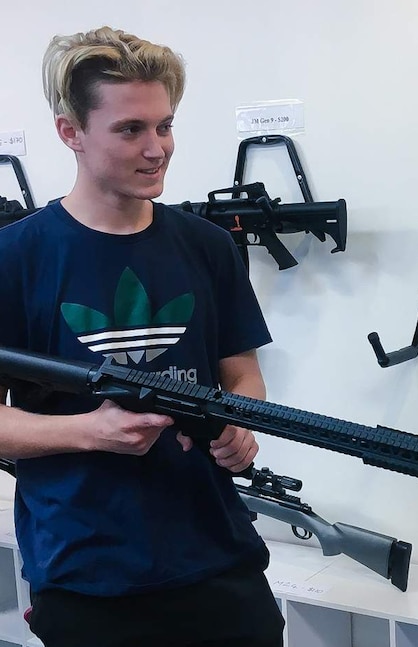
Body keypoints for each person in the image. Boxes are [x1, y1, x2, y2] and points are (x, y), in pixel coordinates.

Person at [0, 27, 285, 646]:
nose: (157, 148)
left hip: (218, 556)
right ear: (70, 132)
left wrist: (241, 420)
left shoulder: (207, 245)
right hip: (87, 575)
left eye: (166, 126)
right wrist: (88, 432)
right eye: (131, 129)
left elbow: (241, 370)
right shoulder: (15, 257)